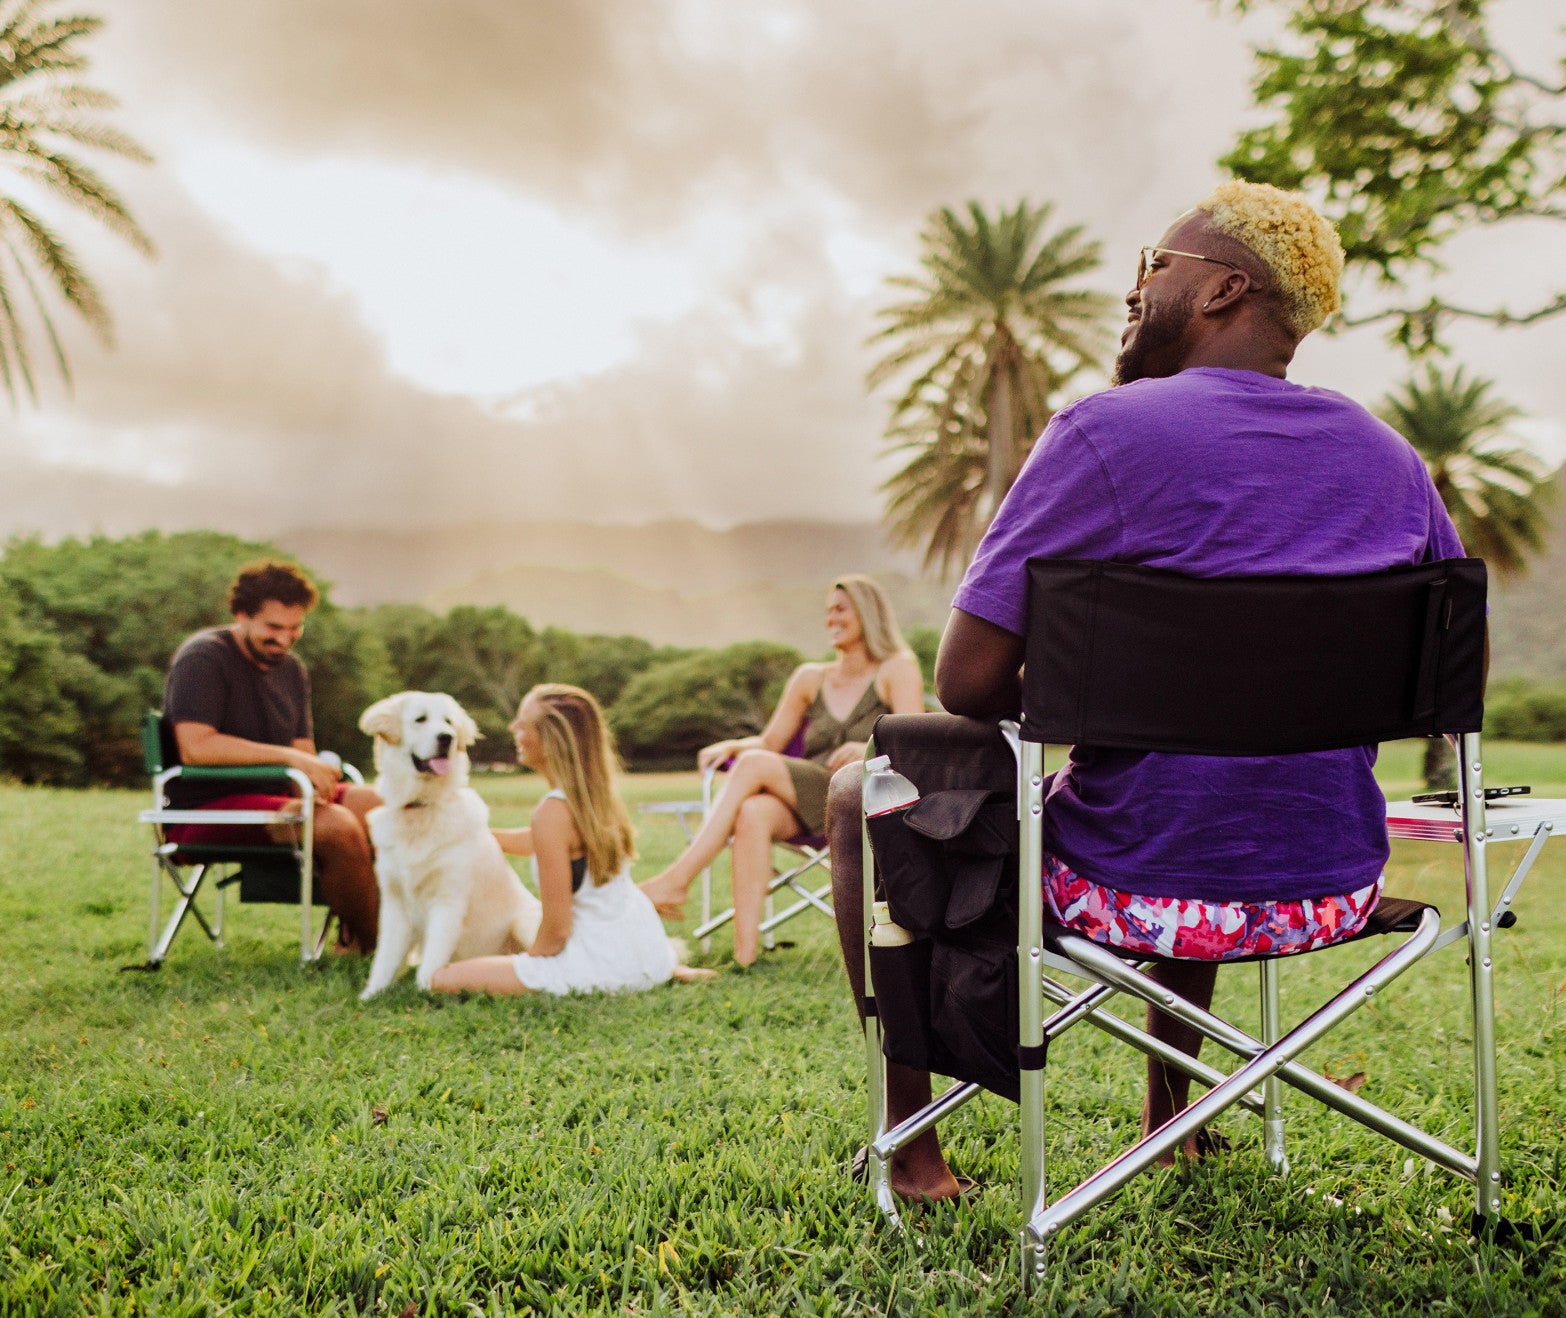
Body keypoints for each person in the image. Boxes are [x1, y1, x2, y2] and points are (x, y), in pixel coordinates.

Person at [827, 180, 1467, 1201]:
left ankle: (912, 1144)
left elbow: (964, 682)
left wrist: (1122, 678)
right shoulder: (1390, 461)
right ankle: (1175, 1117)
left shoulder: (1103, 433)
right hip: (1325, 889)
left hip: (1131, 885)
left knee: (866, 787)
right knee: (1201, 782)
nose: (1135, 288)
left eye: (1151, 266)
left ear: (1220, 288)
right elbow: (1440, 678)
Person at [640, 575, 924, 966]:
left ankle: (676, 880)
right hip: (811, 793)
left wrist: (868, 745)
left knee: (754, 767)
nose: (831, 618)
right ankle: (744, 957)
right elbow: (770, 744)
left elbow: (912, 741)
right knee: (752, 812)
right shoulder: (810, 677)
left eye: (840, 609)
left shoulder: (896, 668)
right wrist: (734, 745)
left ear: (868, 612)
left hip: (860, 796)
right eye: (828, 611)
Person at [432, 684, 714, 995]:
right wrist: (477, 837)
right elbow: (540, 843)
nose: (513, 729)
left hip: (599, 964)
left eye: (523, 724)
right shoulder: (594, 798)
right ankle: (666, 971)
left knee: (441, 977)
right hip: (648, 952)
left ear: (552, 740)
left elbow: (556, 931)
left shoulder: (552, 813)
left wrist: (529, 966)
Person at [162, 560, 382, 953]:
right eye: (273, 628)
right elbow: (196, 747)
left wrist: (312, 783)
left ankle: (361, 933)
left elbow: (302, 751)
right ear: (241, 615)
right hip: (206, 807)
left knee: (382, 807)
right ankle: (376, 946)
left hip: (277, 797)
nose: (285, 639)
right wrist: (291, 762)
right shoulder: (203, 658)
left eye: (295, 628)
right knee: (336, 826)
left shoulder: (292, 670)